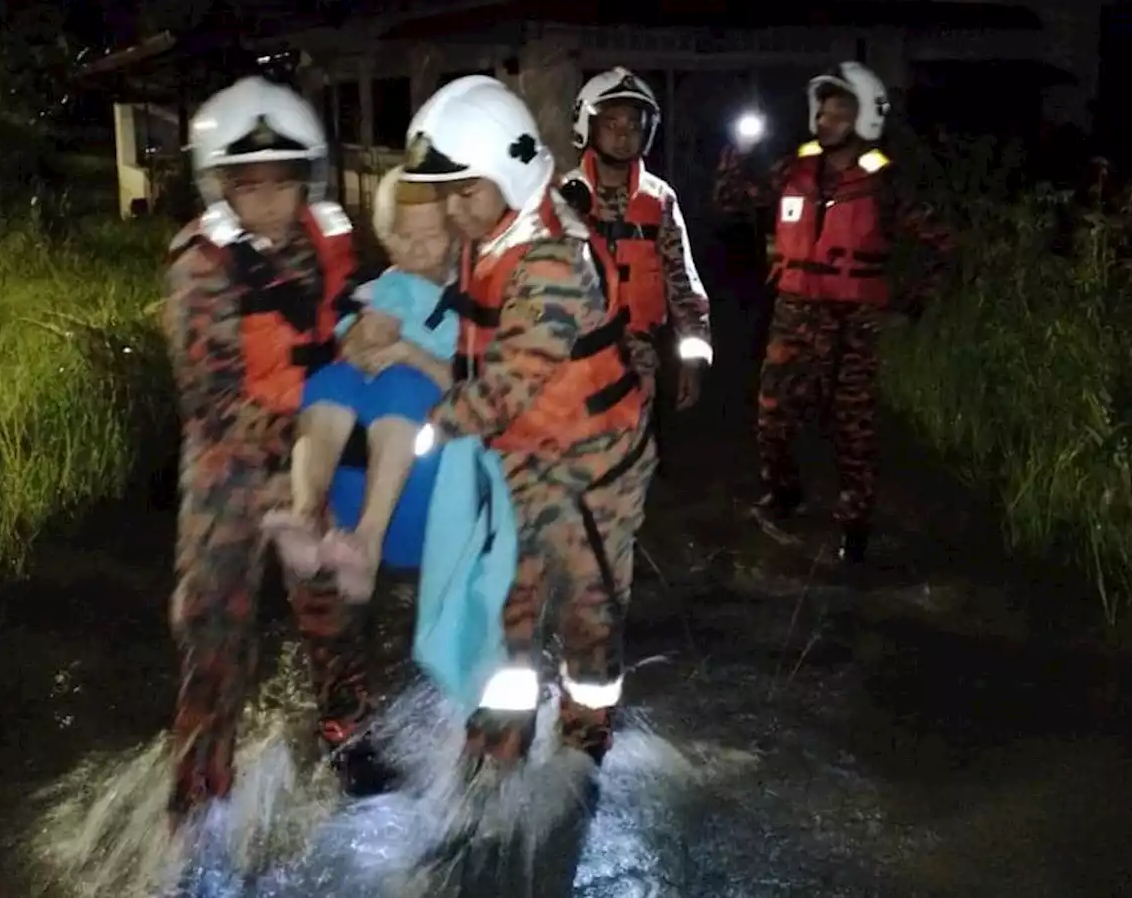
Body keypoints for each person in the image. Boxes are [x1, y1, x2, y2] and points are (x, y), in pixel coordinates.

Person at [347, 74, 655, 767]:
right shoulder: (487, 233)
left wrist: (428, 428)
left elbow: (508, 384)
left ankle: (585, 732)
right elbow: (458, 322)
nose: (453, 208)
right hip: (523, 455)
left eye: (464, 189)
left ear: (511, 171)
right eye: (445, 192)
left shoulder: (552, 259)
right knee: (509, 600)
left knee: (588, 605)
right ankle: (500, 738)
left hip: (593, 463)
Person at [161, 75, 363, 827]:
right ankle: (201, 777)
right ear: (219, 185)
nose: (271, 201)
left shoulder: (320, 244)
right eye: (251, 186)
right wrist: (311, 439)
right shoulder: (200, 268)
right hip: (231, 470)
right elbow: (211, 400)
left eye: (284, 183)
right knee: (214, 622)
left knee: (332, 606)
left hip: (311, 450)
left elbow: (342, 330)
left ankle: (350, 733)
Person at [712, 61, 951, 565]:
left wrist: (912, 304)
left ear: (864, 119)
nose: (826, 118)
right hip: (795, 311)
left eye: (840, 110)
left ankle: (855, 524)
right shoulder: (791, 170)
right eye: (823, 108)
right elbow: (730, 202)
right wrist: (738, 155)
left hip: (856, 319)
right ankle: (785, 494)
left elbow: (944, 244)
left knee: (853, 427)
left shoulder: (886, 184)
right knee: (772, 417)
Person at [261, 166, 458, 604]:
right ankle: (307, 513)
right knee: (328, 380)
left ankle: (369, 539)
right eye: (404, 236)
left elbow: (468, 377)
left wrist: (407, 352)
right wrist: (360, 340)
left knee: (403, 385)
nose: (418, 248)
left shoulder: (466, 297)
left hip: (422, 408)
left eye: (432, 235)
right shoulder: (377, 289)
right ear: (387, 237)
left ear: (455, 233)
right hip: (365, 409)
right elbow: (346, 341)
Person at [559, 68, 712, 414]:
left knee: (643, 457)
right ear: (588, 126)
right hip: (577, 354)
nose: (623, 135)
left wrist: (693, 357)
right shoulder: (564, 197)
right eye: (612, 124)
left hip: (645, 358)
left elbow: (682, 284)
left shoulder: (659, 199)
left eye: (633, 125)